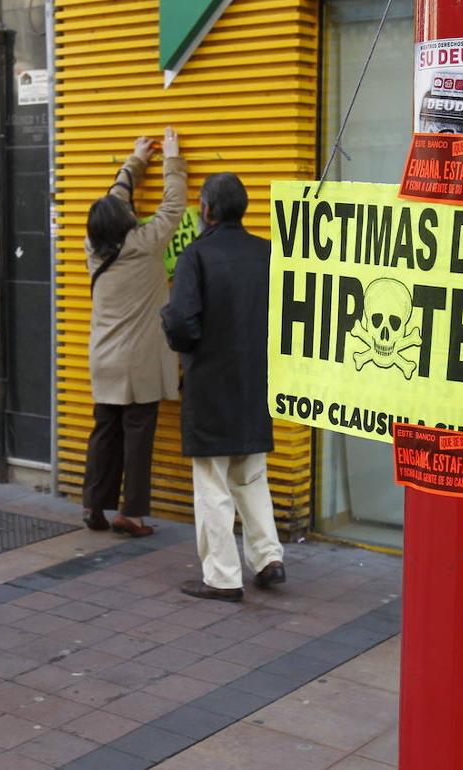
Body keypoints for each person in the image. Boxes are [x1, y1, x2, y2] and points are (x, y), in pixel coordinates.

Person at [161, 172, 284, 603]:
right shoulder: (266, 253)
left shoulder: (197, 256)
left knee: (212, 482)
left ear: (207, 210)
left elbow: (181, 321)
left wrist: (177, 336)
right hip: (255, 381)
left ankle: (223, 577)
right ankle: (268, 558)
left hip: (211, 383)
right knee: (250, 475)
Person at [82, 127, 187, 538]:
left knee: (104, 432)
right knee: (138, 436)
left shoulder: (94, 248)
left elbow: (114, 203)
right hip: (139, 361)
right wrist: (171, 159)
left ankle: (94, 504)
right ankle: (132, 514)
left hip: (103, 359)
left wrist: (134, 162)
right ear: (126, 223)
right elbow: (173, 206)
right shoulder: (145, 243)